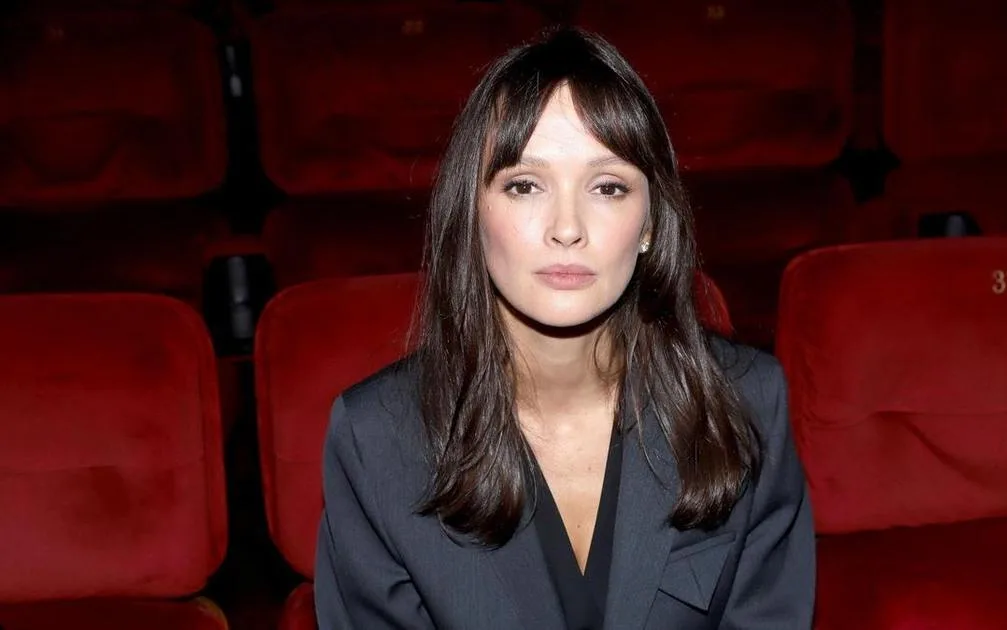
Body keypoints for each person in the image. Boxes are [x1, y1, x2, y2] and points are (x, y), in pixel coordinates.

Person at [314, 26, 814, 630]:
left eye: (607, 187)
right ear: (472, 212)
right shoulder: (375, 440)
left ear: (650, 224)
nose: (567, 228)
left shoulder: (751, 402)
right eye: (525, 185)